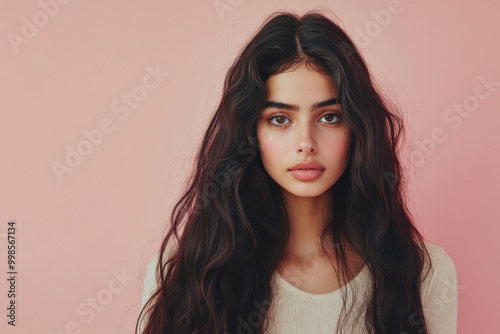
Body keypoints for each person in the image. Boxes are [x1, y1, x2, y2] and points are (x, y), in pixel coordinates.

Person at [136, 8, 457, 334]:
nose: (305, 143)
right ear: (252, 133)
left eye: (329, 117)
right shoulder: (185, 273)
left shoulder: (423, 274)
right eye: (280, 119)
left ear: (357, 128)